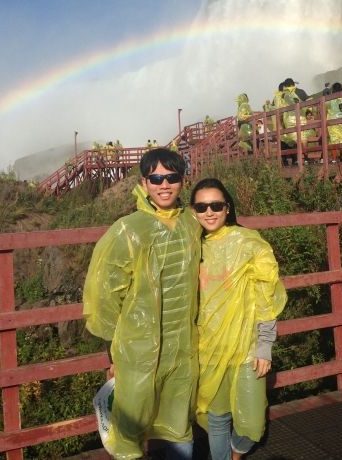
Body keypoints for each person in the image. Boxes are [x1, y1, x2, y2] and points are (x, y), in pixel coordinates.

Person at [83, 148, 201, 459]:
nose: (165, 185)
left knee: (178, 420)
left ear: (182, 180)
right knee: (131, 424)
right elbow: (105, 292)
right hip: (137, 348)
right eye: (156, 178)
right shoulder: (129, 229)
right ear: (144, 183)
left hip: (181, 345)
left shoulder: (191, 222)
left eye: (172, 177)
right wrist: (113, 348)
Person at [191, 178, 287, 460]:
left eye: (216, 205)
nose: (209, 212)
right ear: (193, 211)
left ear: (227, 207)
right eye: (201, 206)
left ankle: (236, 453)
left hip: (247, 347)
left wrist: (264, 345)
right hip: (208, 349)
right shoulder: (191, 248)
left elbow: (265, 296)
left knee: (252, 423)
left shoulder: (249, 243)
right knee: (217, 418)